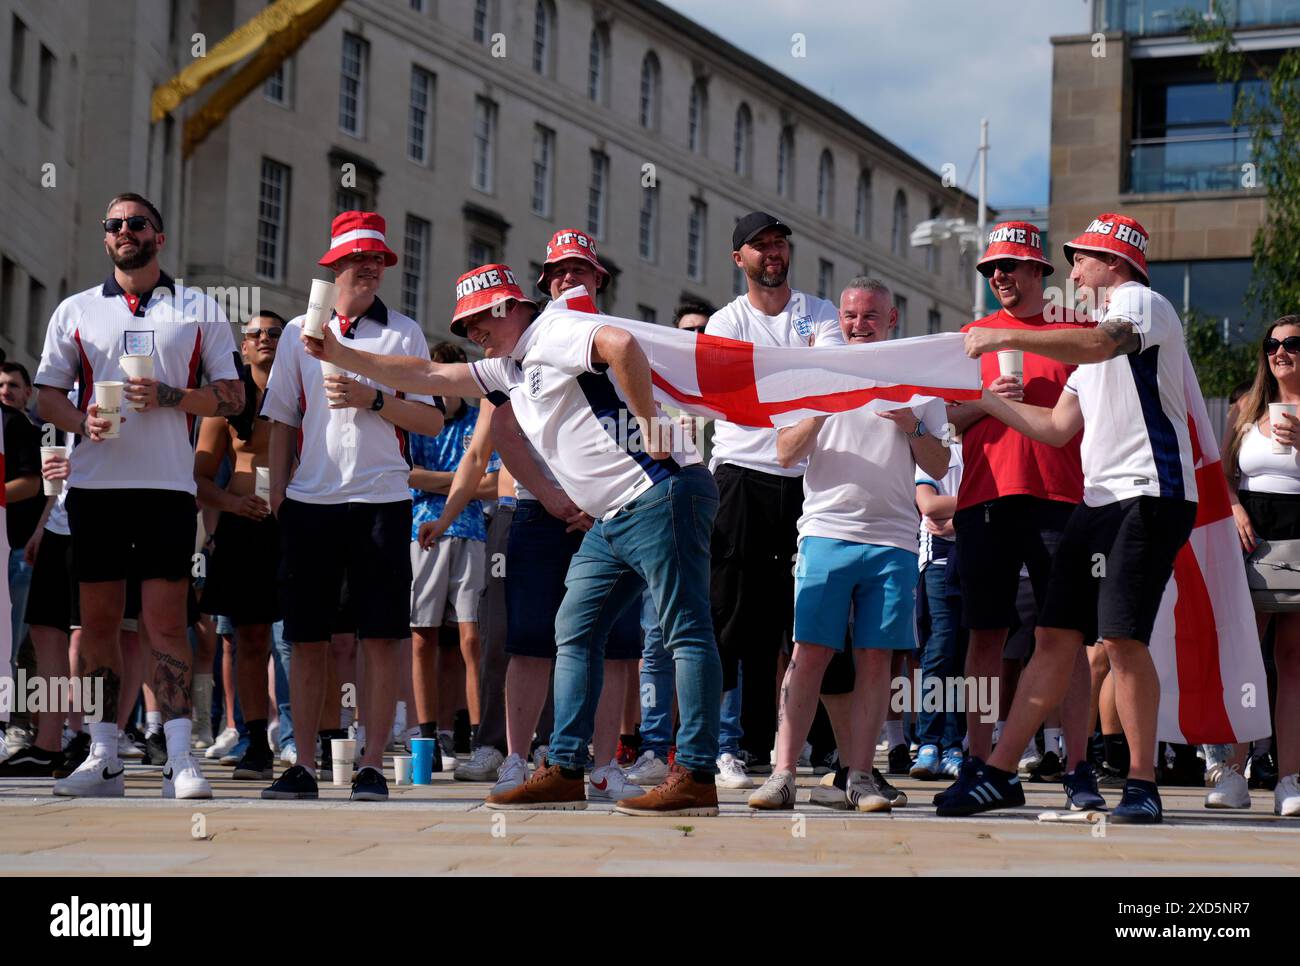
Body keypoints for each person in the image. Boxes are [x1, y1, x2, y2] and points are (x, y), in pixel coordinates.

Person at [307, 264, 722, 815]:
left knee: (684, 629)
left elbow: (621, 342)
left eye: (477, 320)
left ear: (507, 307)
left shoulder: (553, 329)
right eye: (465, 327)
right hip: (612, 516)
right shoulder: (511, 366)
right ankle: (567, 770)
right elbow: (429, 375)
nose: (471, 334)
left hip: (661, 491)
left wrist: (648, 422)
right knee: (573, 631)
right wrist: (339, 354)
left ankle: (695, 776)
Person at [941, 213, 1198, 823]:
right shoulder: (1091, 339)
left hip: (1148, 494)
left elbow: (1102, 341)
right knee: (1057, 637)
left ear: (1113, 261)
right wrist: (981, 403)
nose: (1073, 272)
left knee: (1121, 639)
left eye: (1079, 258)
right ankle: (1000, 773)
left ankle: (1141, 782)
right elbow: (1056, 428)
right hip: (1101, 500)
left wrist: (1004, 339)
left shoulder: (1141, 303)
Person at [36, 192, 243, 799]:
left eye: (137, 223)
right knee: (96, 623)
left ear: (159, 236)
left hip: (166, 489)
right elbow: (45, 396)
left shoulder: (199, 307)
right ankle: (103, 753)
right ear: (105, 239)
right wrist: (80, 425)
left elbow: (232, 397)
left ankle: (180, 755)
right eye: (115, 225)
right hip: (95, 488)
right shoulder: (76, 309)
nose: (125, 231)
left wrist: (173, 397)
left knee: (164, 624)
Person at [260, 211, 444, 803]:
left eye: (379, 259)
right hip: (310, 503)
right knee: (307, 637)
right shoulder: (296, 333)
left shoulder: (406, 333)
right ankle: (305, 764)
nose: (369, 267)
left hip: (382, 500)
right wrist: (278, 494)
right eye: (358, 258)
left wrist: (376, 399)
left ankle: (370, 764)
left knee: (381, 635)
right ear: (333, 265)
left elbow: (431, 417)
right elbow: (282, 420)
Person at [748, 278, 949, 811]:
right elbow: (786, 453)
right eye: (852, 316)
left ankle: (858, 775)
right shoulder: (812, 375)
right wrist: (821, 405)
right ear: (839, 318)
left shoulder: (917, 380)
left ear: (892, 320)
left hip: (893, 540)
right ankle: (783, 773)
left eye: (871, 317)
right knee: (807, 654)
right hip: (825, 532)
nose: (860, 326)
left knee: (877, 661)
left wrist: (910, 425)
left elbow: (941, 464)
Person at [936, 221, 1101, 810]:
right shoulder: (972, 337)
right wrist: (987, 406)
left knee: (1067, 639)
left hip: (1062, 498)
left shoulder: (1077, 334)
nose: (998, 276)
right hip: (985, 499)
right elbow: (943, 424)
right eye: (990, 270)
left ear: (1039, 272)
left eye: (1009, 266)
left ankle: (1080, 766)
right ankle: (979, 763)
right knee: (984, 636)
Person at [705, 211, 843, 787]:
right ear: (739, 259)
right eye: (760, 246)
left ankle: (809, 746)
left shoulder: (822, 312)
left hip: (810, 480)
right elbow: (741, 396)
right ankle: (724, 746)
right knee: (732, 622)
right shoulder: (723, 322)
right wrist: (804, 370)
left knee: (805, 618)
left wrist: (804, 376)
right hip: (741, 475)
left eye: (780, 244)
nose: (772, 253)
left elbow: (835, 377)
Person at [194, 311, 286, 780]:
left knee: (318, 640)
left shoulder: (308, 392)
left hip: (301, 523)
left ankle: (323, 742)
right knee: (248, 639)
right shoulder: (227, 402)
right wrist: (232, 503)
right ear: (244, 348)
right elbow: (199, 478)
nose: (266, 339)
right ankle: (256, 743)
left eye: (276, 332)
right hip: (247, 527)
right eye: (256, 335)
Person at [1220, 315, 1300, 817]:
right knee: (1247, 658)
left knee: (1293, 661)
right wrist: (1233, 507)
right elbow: (1221, 474)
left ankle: (1289, 779)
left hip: (1298, 534)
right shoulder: (1245, 408)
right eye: (1271, 344)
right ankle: (1233, 770)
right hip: (1251, 536)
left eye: (1291, 344)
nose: (1279, 352)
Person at [408, 341, 498, 769]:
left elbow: (494, 482)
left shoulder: (478, 418)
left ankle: (479, 735)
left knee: (470, 639)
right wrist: (461, 479)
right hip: (422, 533)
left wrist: (442, 482)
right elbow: (405, 475)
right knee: (423, 635)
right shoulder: (417, 422)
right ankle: (427, 735)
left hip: (473, 531)